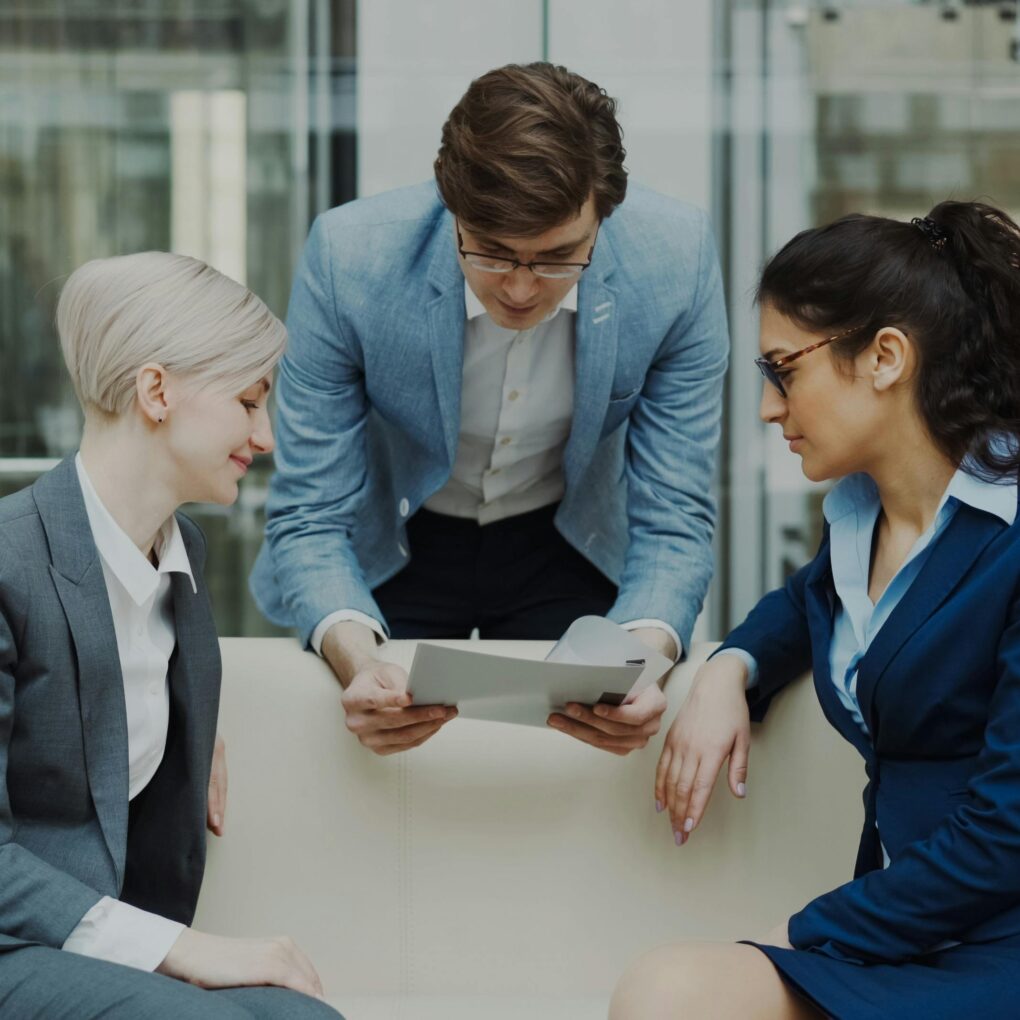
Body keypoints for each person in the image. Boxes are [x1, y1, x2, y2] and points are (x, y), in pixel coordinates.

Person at [610, 201, 1020, 1019]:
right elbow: (806, 606)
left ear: (886, 358)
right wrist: (730, 667)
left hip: (992, 945)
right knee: (664, 994)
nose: (768, 409)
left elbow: (1007, 836)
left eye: (783, 371)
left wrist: (805, 932)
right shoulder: (862, 523)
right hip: (899, 940)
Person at [250, 62, 729, 757]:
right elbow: (309, 513)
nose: (520, 288)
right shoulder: (349, 259)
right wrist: (357, 660)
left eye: (560, 257)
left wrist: (640, 660)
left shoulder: (675, 263)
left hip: (568, 536)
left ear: (604, 215)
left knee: (575, 770)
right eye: (492, 252)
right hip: (397, 542)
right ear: (450, 207)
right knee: (372, 754)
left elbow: (675, 515)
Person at [0, 252, 342, 1019]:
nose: (267, 436)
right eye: (250, 402)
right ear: (156, 391)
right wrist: (184, 951)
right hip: (14, 946)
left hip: (98, 953)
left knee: (306, 1017)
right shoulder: (8, 565)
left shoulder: (180, 567)